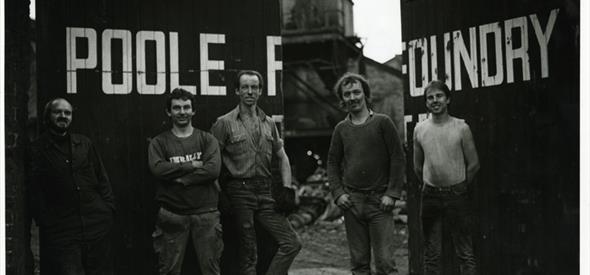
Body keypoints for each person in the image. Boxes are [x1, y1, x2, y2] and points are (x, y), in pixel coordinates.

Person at [211, 70, 301, 275]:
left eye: (254, 87)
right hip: (239, 191)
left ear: (260, 91)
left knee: (292, 243)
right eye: (245, 87)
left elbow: (283, 157)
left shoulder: (268, 123)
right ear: (237, 90)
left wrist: (287, 189)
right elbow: (212, 163)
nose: (249, 91)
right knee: (248, 252)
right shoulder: (224, 123)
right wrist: (219, 194)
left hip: (265, 190)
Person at [327, 73, 405, 275]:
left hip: (380, 202)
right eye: (347, 94)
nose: (352, 97)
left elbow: (397, 158)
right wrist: (338, 193)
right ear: (342, 99)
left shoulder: (382, 123)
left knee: (385, 263)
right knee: (359, 264)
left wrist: (392, 193)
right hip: (352, 203)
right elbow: (332, 164)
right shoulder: (341, 129)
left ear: (365, 94)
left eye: (356, 92)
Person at [28, 98, 115, 275]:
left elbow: (102, 177)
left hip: (95, 224)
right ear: (48, 116)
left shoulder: (84, 144)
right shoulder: (37, 149)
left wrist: (108, 209)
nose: (63, 116)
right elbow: (34, 191)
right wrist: (47, 222)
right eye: (57, 112)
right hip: (64, 231)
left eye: (67, 113)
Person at [148, 88, 223, 275]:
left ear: (193, 110)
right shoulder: (159, 142)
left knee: (211, 270)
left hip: (206, 213)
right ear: (168, 112)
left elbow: (213, 170)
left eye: (186, 107)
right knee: (169, 270)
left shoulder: (207, 139)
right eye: (177, 108)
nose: (182, 112)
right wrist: (191, 166)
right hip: (172, 214)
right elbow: (158, 169)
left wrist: (182, 180)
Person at [413, 80, 480, 275]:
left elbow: (474, 164)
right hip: (430, 196)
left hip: (457, 195)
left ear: (448, 99)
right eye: (430, 98)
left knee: (465, 253)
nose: (435, 101)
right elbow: (417, 166)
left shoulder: (461, 127)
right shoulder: (420, 129)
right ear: (426, 103)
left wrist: (460, 187)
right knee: (431, 254)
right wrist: (429, 184)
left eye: (439, 96)